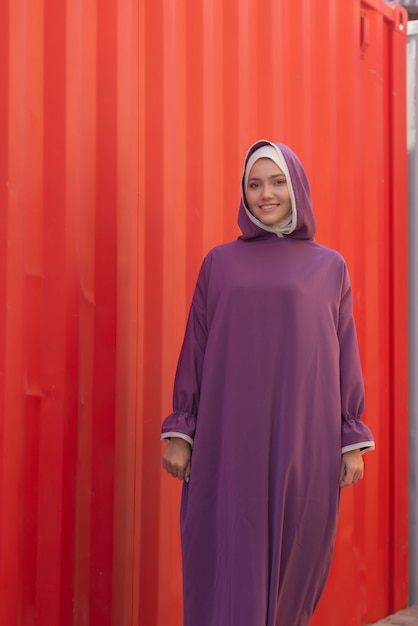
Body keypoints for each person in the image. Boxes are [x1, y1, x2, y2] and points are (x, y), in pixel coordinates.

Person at [161, 140, 375, 626]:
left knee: (293, 565)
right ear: (243, 195)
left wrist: (351, 439)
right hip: (228, 441)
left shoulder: (329, 267)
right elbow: (195, 346)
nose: (266, 194)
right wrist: (182, 430)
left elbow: (343, 353)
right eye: (254, 184)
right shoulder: (219, 263)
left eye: (277, 181)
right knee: (228, 562)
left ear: (296, 187)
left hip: (302, 442)